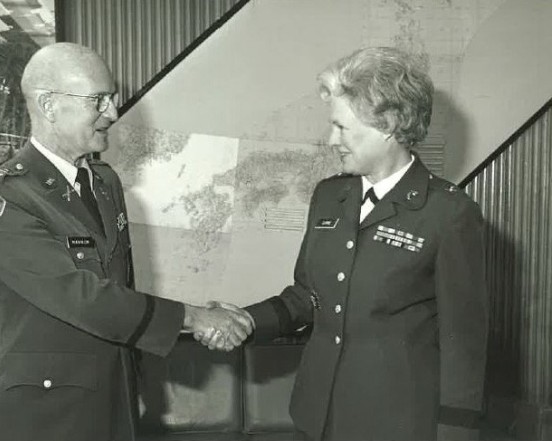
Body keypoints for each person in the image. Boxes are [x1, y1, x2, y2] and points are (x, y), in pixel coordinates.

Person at [0, 42, 253, 441]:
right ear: (50, 105)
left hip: (113, 399)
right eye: (98, 100)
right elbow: (81, 295)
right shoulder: (5, 195)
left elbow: (121, 286)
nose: (113, 113)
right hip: (44, 415)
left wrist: (131, 383)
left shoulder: (105, 182)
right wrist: (195, 316)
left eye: (113, 99)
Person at [201, 47, 488, 441]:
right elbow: (307, 297)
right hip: (319, 414)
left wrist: (457, 433)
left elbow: (464, 343)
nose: (330, 139)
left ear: (387, 123)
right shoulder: (329, 196)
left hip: (398, 423)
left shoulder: (449, 213)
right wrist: (248, 320)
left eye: (341, 127)